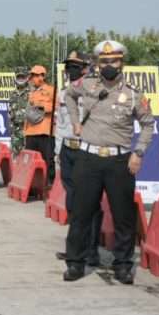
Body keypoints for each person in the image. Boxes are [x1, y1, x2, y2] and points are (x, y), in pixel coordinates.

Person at [63, 40, 155, 284]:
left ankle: (123, 264)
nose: (108, 66)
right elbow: (69, 95)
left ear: (121, 62)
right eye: (103, 62)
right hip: (88, 158)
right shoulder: (87, 85)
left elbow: (148, 124)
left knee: (123, 217)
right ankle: (75, 263)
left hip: (119, 161)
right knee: (81, 215)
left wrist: (139, 152)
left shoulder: (134, 95)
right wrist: (75, 121)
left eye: (113, 61)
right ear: (96, 64)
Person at [55, 51, 103, 267]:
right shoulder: (64, 92)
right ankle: (76, 248)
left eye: (75, 66)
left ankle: (92, 251)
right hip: (67, 150)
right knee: (73, 201)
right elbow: (60, 124)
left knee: (90, 202)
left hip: (87, 151)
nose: (70, 70)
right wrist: (58, 152)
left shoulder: (95, 90)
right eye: (68, 66)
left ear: (86, 68)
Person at [24, 65, 55, 185]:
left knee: (48, 159)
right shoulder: (30, 92)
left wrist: (42, 107)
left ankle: (49, 184)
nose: (34, 78)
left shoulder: (51, 90)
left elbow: (57, 106)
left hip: (45, 131)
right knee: (30, 160)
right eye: (33, 76)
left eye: (36, 76)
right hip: (30, 131)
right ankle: (32, 185)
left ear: (42, 76)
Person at [7, 68, 29, 156]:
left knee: (27, 153)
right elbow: (10, 110)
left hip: (27, 128)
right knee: (15, 153)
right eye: (18, 77)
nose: (20, 79)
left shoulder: (31, 92)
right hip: (15, 129)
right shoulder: (13, 94)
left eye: (22, 77)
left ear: (26, 78)